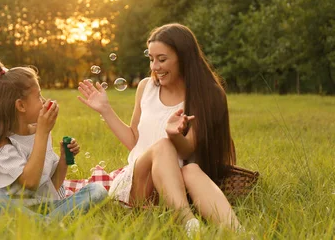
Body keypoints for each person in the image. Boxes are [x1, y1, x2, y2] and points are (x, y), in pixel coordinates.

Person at [77, 23, 241, 234]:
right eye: (152, 59)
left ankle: (241, 233)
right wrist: (105, 110)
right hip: (140, 184)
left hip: (180, 185)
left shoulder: (207, 94)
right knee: (162, 145)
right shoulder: (147, 87)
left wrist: (175, 135)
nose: (155, 67)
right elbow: (134, 141)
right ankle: (190, 224)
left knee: (190, 169)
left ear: (184, 58)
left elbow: (187, 150)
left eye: (162, 59)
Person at [0, 61, 108, 218]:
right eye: (38, 96)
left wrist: (63, 159)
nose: (43, 100)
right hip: (14, 208)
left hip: (48, 207)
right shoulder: (4, 144)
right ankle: (47, 224)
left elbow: (52, 185)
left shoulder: (41, 133)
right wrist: (42, 133)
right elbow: (30, 183)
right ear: (21, 106)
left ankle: (41, 224)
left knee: (97, 190)